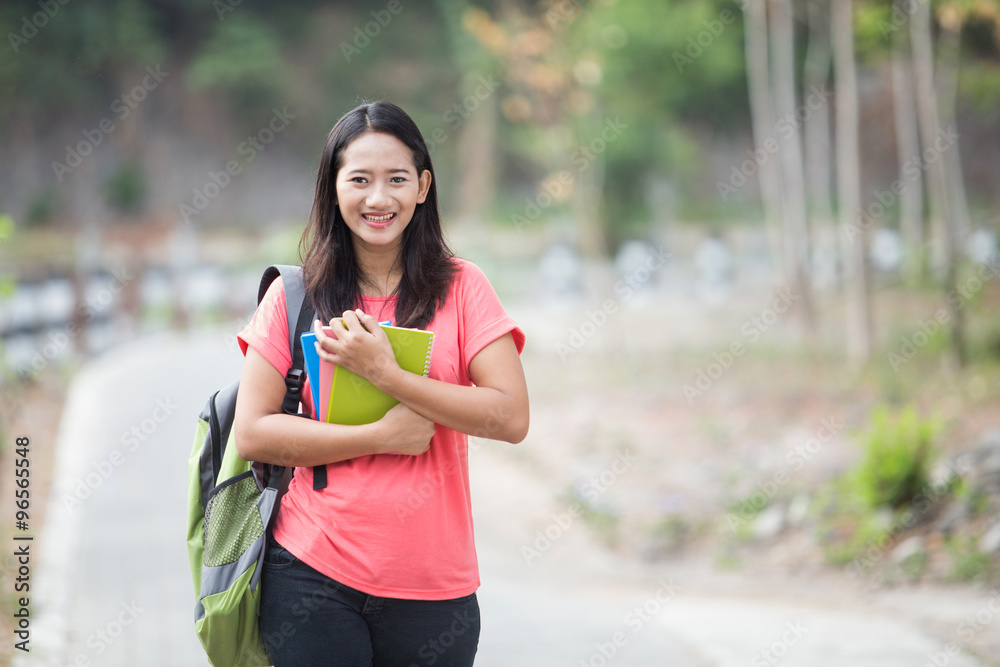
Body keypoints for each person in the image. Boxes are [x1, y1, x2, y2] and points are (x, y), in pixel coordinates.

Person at [233, 100, 529, 666]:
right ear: (333, 187)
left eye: (396, 179)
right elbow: (253, 432)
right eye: (360, 180)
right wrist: (379, 436)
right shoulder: (295, 296)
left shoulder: (464, 288)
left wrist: (386, 374)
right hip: (311, 572)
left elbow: (511, 417)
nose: (378, 199)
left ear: (423, 186)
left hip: (435, 588)